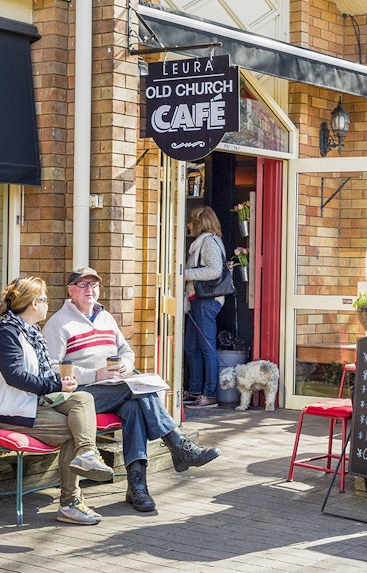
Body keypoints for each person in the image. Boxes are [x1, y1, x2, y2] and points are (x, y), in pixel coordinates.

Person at [43, 267, 223, 513]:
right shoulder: (59, 323)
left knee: (134, 405)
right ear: (70, 290)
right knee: (139, 391)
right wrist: (93, 374)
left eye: (94, 285)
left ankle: (137, 487)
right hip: (81, 395)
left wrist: (126, 365)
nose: (90, 290)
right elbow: (52, 368)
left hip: (115, 389)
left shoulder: (105, 318)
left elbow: (127, 352)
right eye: (83, 285)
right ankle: (178, 446)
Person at [0, 276, 115, 526]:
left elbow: (39, 373)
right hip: (9, 410)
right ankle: (70, 503)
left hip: (33, 402)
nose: (47, 304)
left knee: (82, 398)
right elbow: (15, 377)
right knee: (72, 432)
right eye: (44, 299)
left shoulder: (30, 332)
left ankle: (87, 453)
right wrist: (56, 385)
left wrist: (65, 383)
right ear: (33, 304)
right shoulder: (6, 333)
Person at [182, 206, 229, 408]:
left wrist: (186, 274)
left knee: (207, 347)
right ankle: (194, 391)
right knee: (191, 347)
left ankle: (210, 394)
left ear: (200, 223)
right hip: (197, 301)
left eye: (191, 221)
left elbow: (215, 270)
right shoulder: (202, 243)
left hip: (207, 301)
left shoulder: (209, 241)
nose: (188, 225)